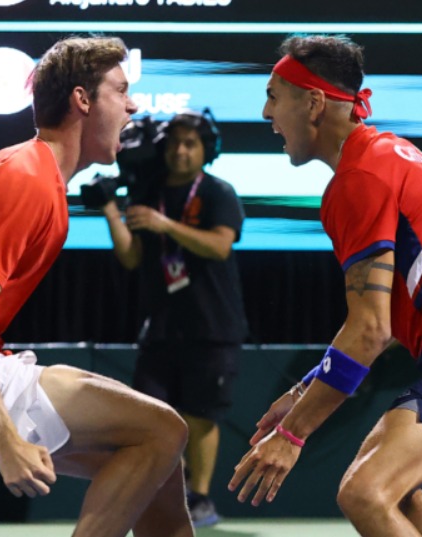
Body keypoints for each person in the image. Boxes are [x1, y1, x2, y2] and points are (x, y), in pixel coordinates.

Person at [228, 35, 422, 537]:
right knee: (396, 488)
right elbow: (388, 322)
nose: (265, 112)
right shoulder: (392, 152)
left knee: (364, 492)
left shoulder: (360, 179)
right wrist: (302, 389)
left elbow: (370, 330)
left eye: (274, 95)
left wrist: (293, 434)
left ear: (313, 102)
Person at [0, 36, 194, 537]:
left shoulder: (39, 177)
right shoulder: (26, 178)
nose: (133, 104)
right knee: (165, 429)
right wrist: (4, 439)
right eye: (121, 90)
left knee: (158, 463)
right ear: (82, 99)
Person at [100, 110, 248, 527]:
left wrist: (164, 223)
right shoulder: (148, 192)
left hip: (212, 324)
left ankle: (200, 498)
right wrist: (113, 210)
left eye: (190, 144)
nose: (180, 151)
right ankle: (165, 493)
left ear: (205, 150)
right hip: (161, 325)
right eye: (174, 143)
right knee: (151, 415)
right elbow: (131, 256)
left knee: (201, 416)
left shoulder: (219, 192)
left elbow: (219, 247)